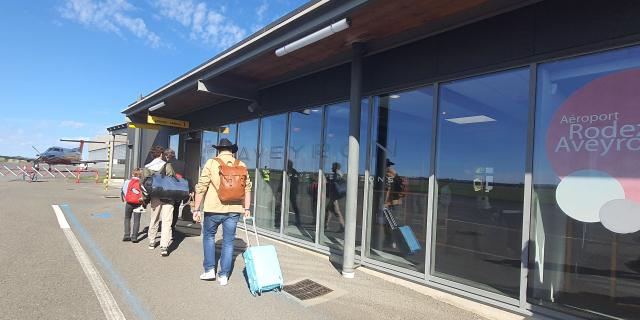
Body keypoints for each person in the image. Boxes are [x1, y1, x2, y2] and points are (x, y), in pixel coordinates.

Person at [193, 138, 252, 286]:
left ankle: (209, 270)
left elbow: (201, 187)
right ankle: (224, 275)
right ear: (232, 150)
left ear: (219, 150)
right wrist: (246, 208)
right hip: (234, 210)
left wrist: (196, 209)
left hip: (213, 209)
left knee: (208, 237)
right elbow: (247, 188)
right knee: (228, 242)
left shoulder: (212, 163)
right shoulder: (241, 164)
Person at [143, 145, 176, 256]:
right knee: (167, 221)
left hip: (155, 196)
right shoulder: (167, 165)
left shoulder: (147, 167)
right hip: (167, 196)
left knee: (154, 218)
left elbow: (144, 183)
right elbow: (172, 178)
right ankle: (164, 247)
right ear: (161, 154)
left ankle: (152, 242)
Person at [122, 168, 144, 243]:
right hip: (138, 203)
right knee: (137, 220)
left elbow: (124, 191)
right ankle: (134, 237)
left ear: (132, 174)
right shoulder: (142, 183)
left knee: (127, 218)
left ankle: (127, 235)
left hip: (129, 203)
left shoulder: (128, 182)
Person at [325, 162, 345, 233]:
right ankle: (326, 225)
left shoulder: (334, 175)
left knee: (336, 211)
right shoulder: (341, 174)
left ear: (335, 167)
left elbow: (329, 181)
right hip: (335, 195)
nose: (331, 168)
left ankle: (342, 226)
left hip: (333, 196)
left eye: (332, 166)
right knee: (329, 210)